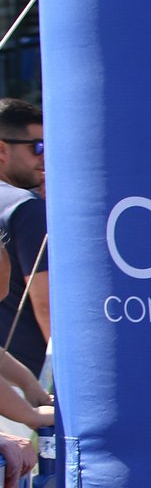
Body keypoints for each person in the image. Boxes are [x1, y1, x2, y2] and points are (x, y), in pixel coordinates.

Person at [0, 99, 49, 379]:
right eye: (37, 147)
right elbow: (47, 306)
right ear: (2, 150)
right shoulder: (25, 208)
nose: (45, 157)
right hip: (29, 383)